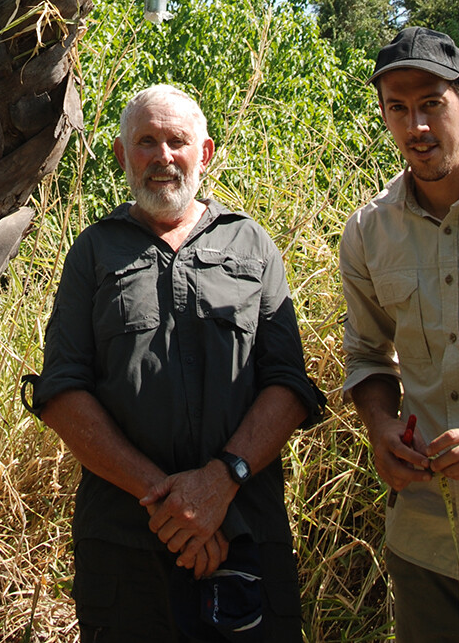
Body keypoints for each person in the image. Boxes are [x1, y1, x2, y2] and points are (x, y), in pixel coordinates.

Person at [23, 84, 324, 643]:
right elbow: (63, 393)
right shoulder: (92, 251)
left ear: (204, 153)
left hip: (246, 540)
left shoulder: (252, 244)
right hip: (125, 549)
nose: (163, 157)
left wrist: (219, 485)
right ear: (121, 156)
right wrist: (171, 502)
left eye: (177, 142)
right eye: (147, 142)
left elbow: (288, 385)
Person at [340, 25, 459, 642]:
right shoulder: (368, 232)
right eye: (398, 108)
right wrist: (382, 428)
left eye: (431, 104)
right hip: (424, 544)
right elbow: (366, 353)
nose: (415, 126)